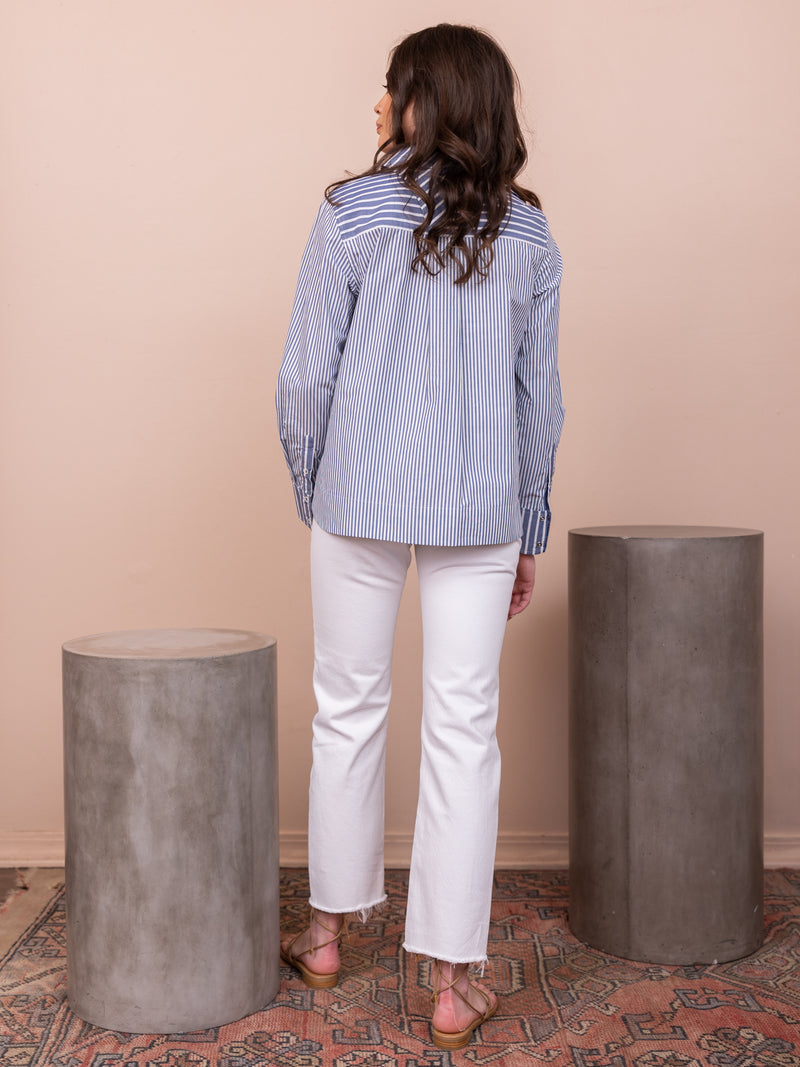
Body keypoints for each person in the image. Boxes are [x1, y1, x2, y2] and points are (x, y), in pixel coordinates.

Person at [276, 22, 563, 1051]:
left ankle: (323, 934)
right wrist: (528, 522)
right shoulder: (529, 235)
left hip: (356, 495)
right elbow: (539, 402)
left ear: (422, 101)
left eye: (389, 87)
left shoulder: (349, 212)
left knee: (345, 709)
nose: (376, 104)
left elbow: (303, 376)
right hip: (479, 506)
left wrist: (316, 484)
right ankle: (451, 982)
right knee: (463, 729)